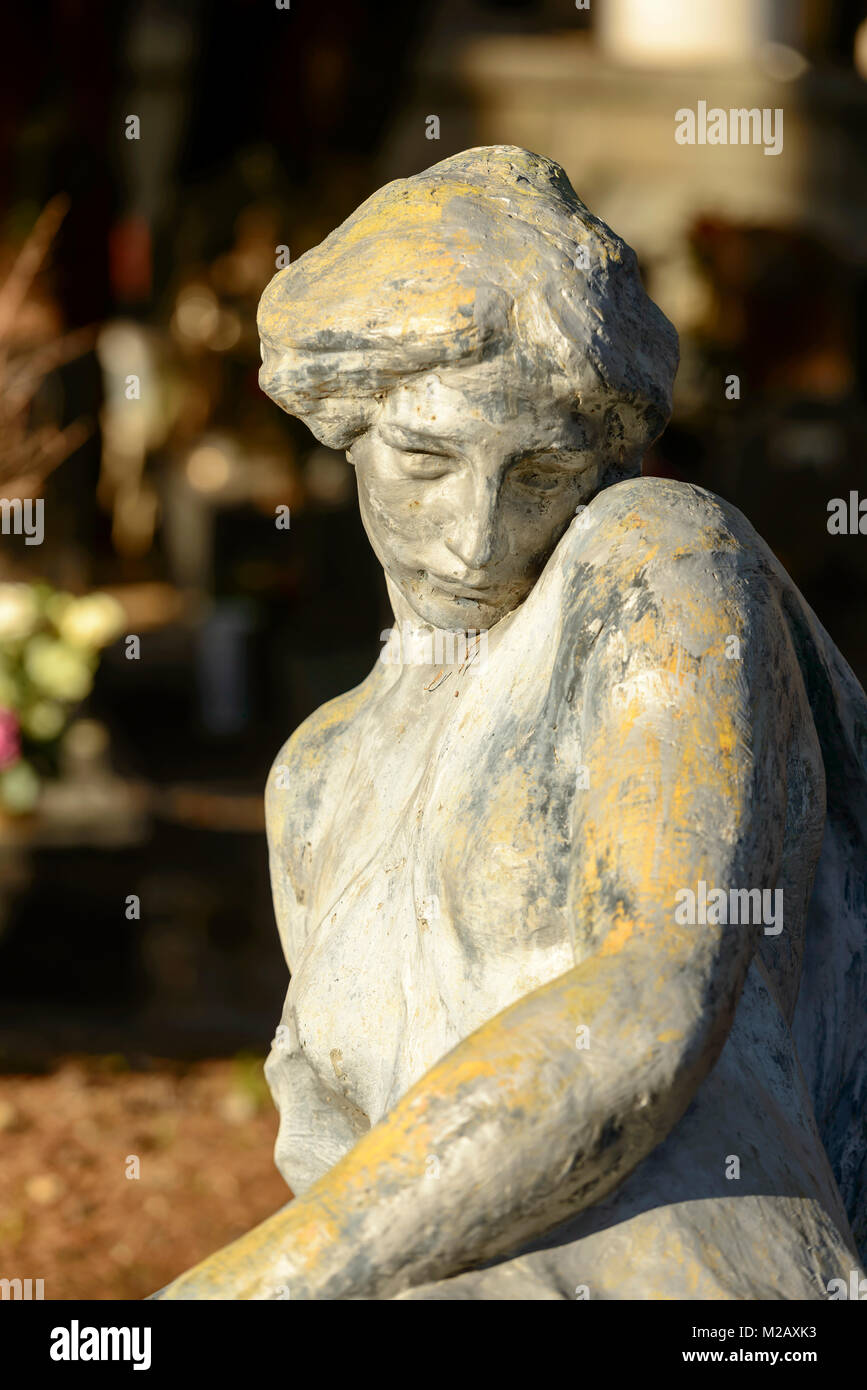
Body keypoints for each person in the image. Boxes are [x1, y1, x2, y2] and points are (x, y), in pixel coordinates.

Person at [155, 146, 867, 1299]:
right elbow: (347, 1161)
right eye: (426, 461)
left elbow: (654, 993)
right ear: (349, 429)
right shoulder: (316, 779)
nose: (477, 538)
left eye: (538, 471)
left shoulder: (656, 560)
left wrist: (264, 1282)